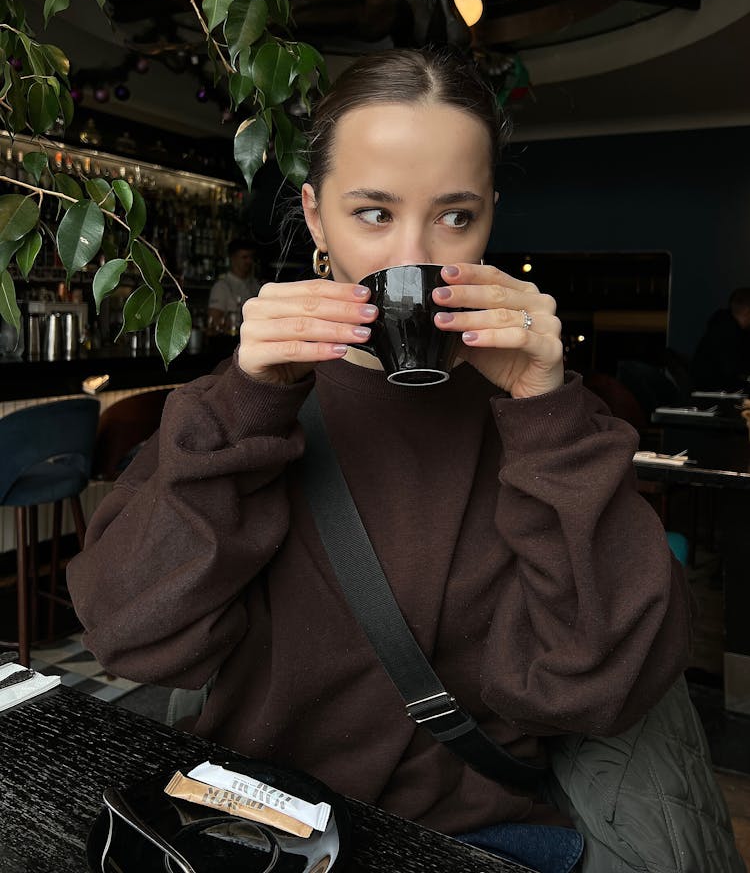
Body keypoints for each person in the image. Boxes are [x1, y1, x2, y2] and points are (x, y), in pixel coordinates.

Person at [67, 48, 692, 873]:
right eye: (373, 213)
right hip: (261, 828)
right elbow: (132, 636)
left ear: (491, 218)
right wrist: (246, 399)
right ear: (316, 219)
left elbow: (607, 682)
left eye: (455, 216)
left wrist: (547, 410)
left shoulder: (543, 424)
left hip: (465, 838)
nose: (415, 255)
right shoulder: (242, 407)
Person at [690, 287, 750, 392]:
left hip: (711, 391)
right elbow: (733, 373)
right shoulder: (729, 333)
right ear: (747, 312)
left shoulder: (722, 326)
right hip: (716, 393)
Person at [207, 237, 261, 334]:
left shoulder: (256, 285)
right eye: (244, 257)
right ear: (233, 258)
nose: (249, 262)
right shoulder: (222, 286)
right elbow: (214, 320)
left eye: (251, 257)